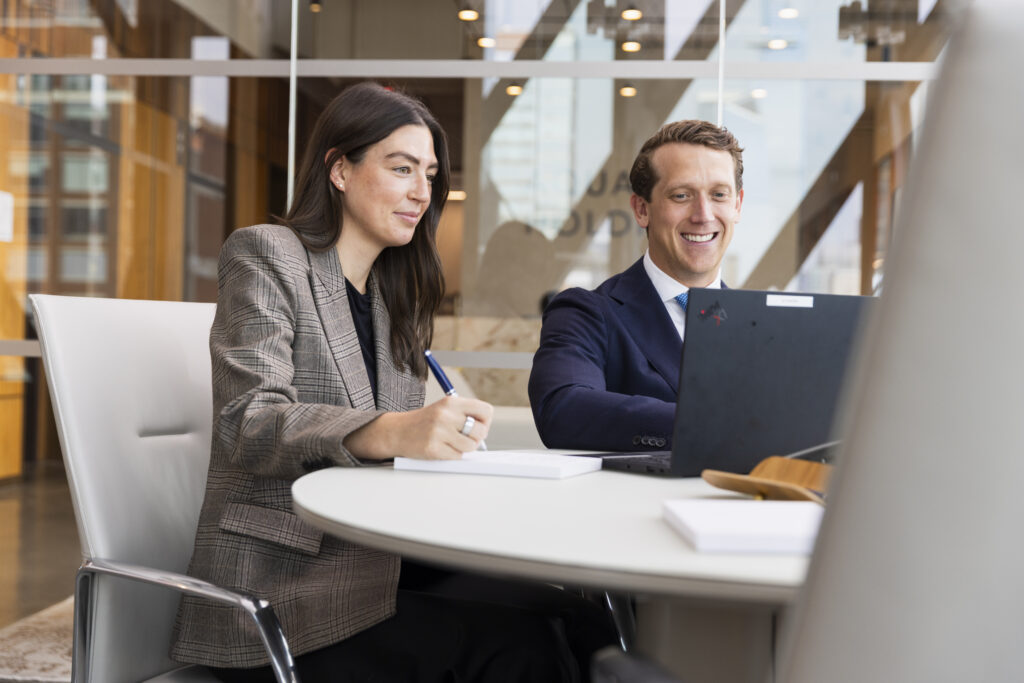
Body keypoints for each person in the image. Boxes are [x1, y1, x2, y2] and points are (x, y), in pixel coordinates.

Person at [171, 82, 615, 682]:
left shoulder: (392, 297)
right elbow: (248, 421)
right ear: (340, 170)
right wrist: (395, 431)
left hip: (376, 563)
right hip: (282, 592)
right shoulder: (267, 255)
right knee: (522, 645)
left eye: (429, 174)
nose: (421, 192)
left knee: (575, 613)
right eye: (401, 168)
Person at [529, 120, 744, 452]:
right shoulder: (585, 313)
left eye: (718, 195)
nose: (703, 214)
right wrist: (714, 426)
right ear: (642, 209)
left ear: (737, 205)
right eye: (682, 195)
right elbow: (562, 409)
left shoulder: (760, 323)